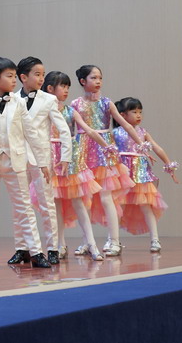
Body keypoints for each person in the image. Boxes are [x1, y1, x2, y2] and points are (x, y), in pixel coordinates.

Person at [0, 57, 52, 269]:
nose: (14, 80)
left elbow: (31, 133)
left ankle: (36, 252)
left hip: (16, 161)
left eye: (15, 76)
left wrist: (42, 162)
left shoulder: (19, 102)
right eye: (10, 76)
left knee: (24, 207)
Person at [71, 65, 144, 256]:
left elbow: (126, 124)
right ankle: (88, 241)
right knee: (84, 198)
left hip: (104, 151)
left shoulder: (106, 102)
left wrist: (141, 144)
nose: (98, 82)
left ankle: (114, 241)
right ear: (83, 81)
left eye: (100, 78)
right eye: (93, 78)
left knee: (106, 197)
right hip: (82, 151)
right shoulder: (76, 104)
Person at [40, 71, 113, 261]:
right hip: (50, 158)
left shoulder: (70, 111)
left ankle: (92, 244)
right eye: (62, 86)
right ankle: (59, 245)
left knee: (78, 202)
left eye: (67, 87)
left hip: (70, 158)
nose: (66, 90)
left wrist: (106, 146)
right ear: (50, 89)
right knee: (55, 204)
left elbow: (89, 130)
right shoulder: (42, 111)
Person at [15, 57, 72, 265]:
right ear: (23, 77)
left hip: (42, 158)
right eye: (37, 74)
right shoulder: (12, 99)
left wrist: (65, 156)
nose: (41, 78)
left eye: (43, 74)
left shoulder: (48, 100)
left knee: (47, 203)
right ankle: (22, 248)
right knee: (20, 204)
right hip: (19, 156)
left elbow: (63, 129)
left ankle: (52, 248)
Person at [113, 97, 179, 252]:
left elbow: (157, 148)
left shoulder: (143, 132)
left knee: (146, 205)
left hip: (141, 173)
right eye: (134, 112)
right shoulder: (115, 133)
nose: (138, 115)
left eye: (140, 112)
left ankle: (155, 240)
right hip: (123, 172)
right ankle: (114, 240)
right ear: (122, 115)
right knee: (117, 206)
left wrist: (168, 163)